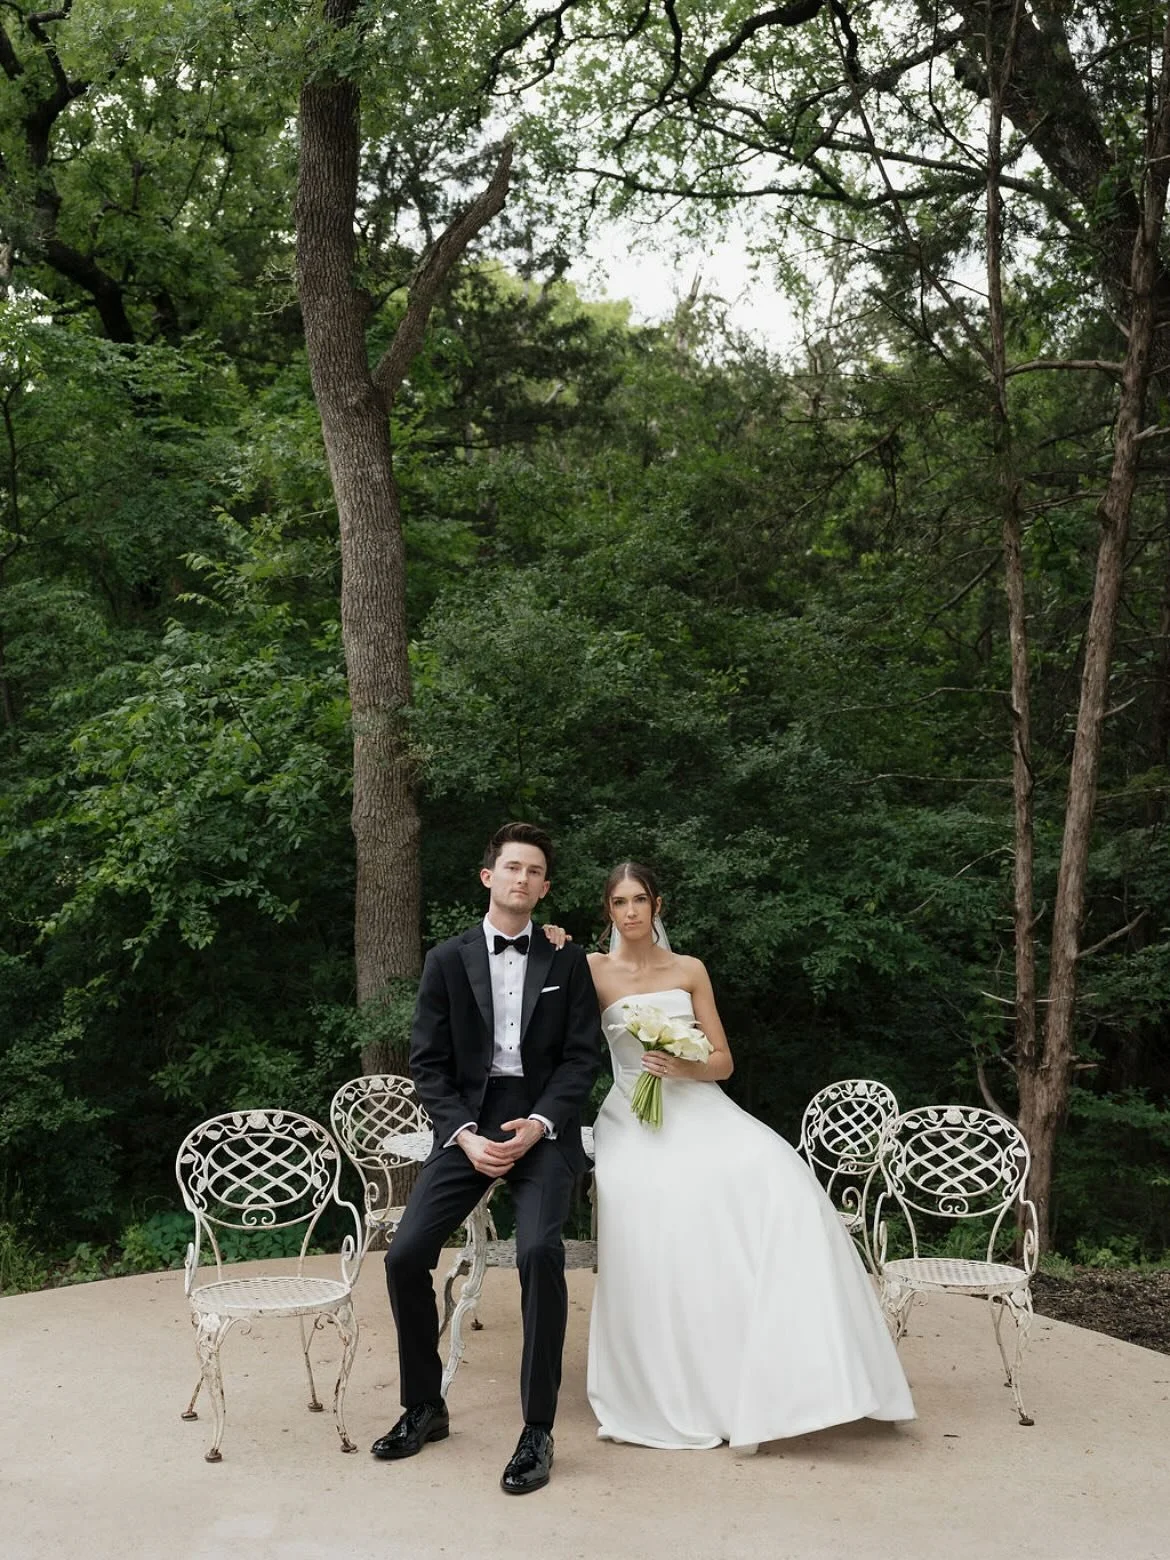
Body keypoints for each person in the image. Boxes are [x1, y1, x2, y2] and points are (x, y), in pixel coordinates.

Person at [583, 861, 915, 1451]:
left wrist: (684, 1066)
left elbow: (723, 1061)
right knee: (660, 1202)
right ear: (607, 911)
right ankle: (674, 1380)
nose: (630, 912)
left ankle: (796, 1376)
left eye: (639, 900)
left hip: (698, 1104)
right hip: (631, 1117)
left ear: (658, 905)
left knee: (776, 1170)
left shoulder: (689, 970)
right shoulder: (592, 971)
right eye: (618, 902)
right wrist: (553, 938)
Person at [373, 823, 600, 1495]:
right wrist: (465, 1135)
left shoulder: (567, 960)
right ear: (488, 877)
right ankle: (424, 1405)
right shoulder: (448, 959)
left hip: (543, 1126)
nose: (522, 879)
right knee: (405, 1254)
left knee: (538, 1253)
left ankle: (537, 1428)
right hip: (469, 1125)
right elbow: (428, 1063)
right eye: (511, 868)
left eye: (534, 871)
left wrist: (537, 1125)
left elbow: (581, 1059)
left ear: (545, 887)